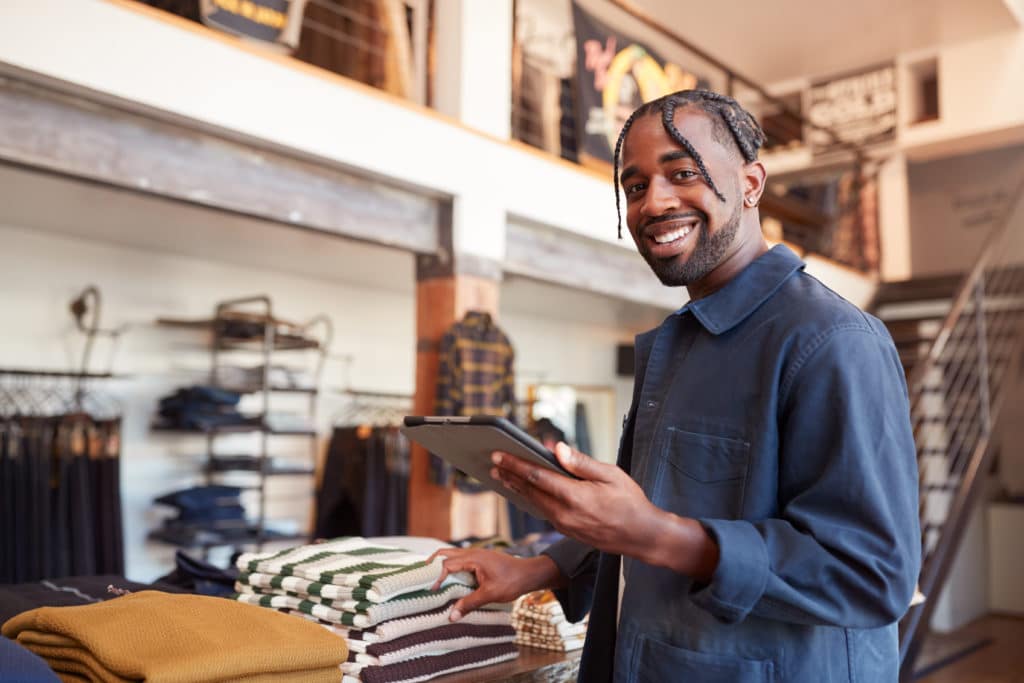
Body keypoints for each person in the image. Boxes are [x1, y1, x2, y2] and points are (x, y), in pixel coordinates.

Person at [430, 90, 921, 682]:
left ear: (751, 183)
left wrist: (655, 534)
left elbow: (872, 574)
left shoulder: (832, 340)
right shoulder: (675, 343)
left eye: (682, 173)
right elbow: (653, 510)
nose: (654, 203)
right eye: (635, 187)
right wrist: (543, 567)